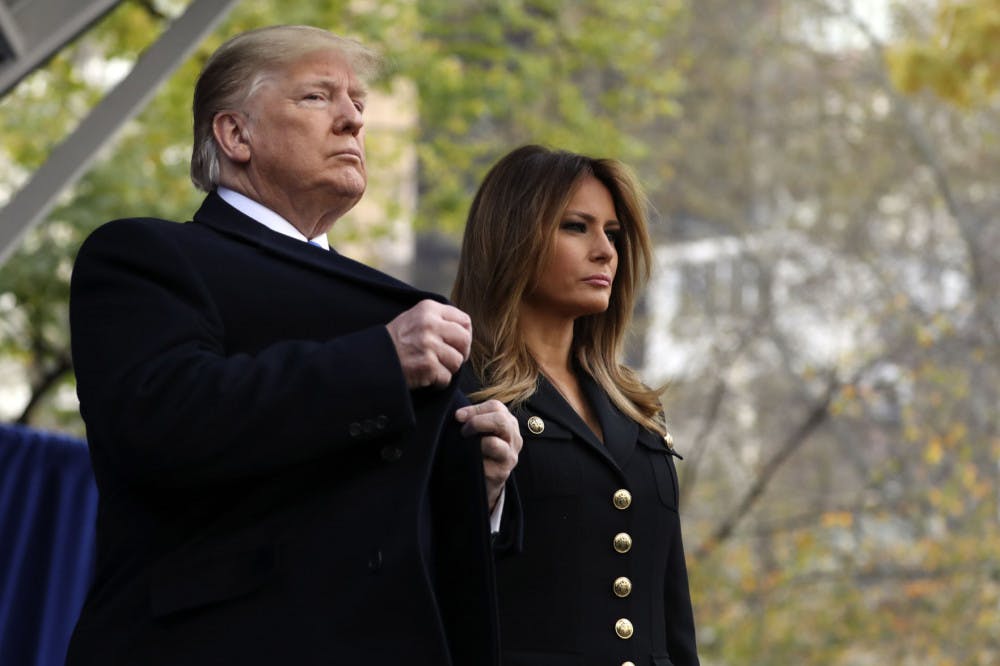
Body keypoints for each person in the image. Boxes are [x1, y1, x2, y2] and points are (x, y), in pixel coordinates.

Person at [65, 25, 520, 666]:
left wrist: (481, 488)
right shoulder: (146, 255)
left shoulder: (408, 314)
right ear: (235, 134)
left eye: (358, 103)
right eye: (317, 97)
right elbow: (160, 421)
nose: (353, 121)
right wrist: (379, 364)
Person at [452, 145, 700, 666]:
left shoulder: (636, 409)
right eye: (576, 227)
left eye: (612, 233)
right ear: (512, 238)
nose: (605, 251)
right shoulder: (460, 394)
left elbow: (672, 611)